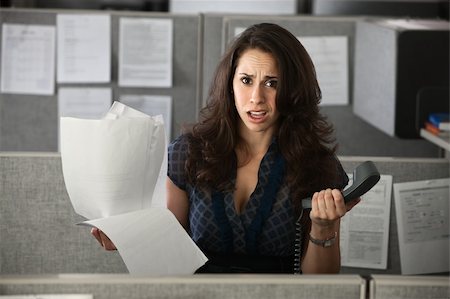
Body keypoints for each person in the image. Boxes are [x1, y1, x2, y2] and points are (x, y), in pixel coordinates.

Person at [92, 22, 360, 274]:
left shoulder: (317, 166)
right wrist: (128, 242)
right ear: (230, 85)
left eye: (272, 83)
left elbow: (320, 282)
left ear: (294, 91)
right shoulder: (187, 154)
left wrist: (324, 228)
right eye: (246, 80)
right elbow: (170, 250)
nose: (256, 98)